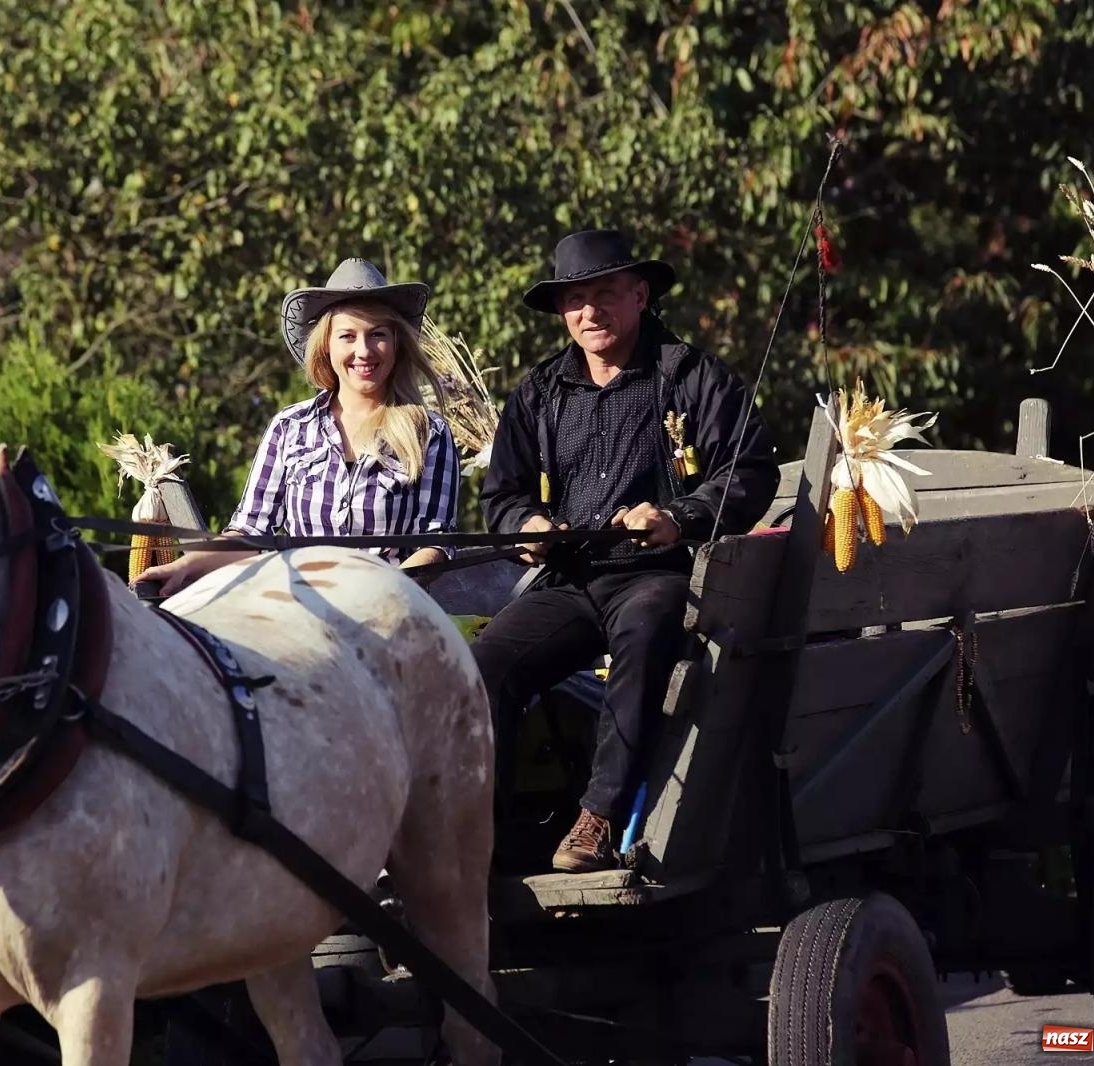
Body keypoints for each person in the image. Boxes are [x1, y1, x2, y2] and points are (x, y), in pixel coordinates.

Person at [474, 228, 781, 873]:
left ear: (640, 295)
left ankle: (599, 819)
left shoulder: (694, 377)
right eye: (575, 300)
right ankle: (482, 837)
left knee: (642, 636)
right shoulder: (539, 393)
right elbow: (500, 493)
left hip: (662, 573)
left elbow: (751, 473)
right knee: (483, 665)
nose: (591, 312)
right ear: (561, 313)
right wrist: (528, 522)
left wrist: (678, 517)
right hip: (571, 580)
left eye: (605, 294)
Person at [138, 258, 460, 595]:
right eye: (347, 336)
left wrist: (377, 593)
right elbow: (250, 531)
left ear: (395, 344)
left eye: (377, 335)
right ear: (327, 346)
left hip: (390, 606)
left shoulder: (429, 433)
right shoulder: (289, 427)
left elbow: (436, 543)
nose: (363, 351)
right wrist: (182, 566)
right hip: (298, 604)